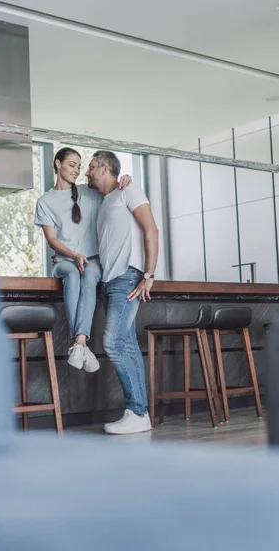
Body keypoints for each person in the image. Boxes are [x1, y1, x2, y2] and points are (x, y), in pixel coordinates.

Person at [34, 147, 131, 373]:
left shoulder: (89, 193)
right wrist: (74, 255)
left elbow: (112, 186)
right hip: (65, 260)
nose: (77, 170)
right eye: (71, 165)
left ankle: (79, 343)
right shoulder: (45, 201)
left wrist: (126, 179)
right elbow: (51, 239)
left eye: (79, 166)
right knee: (72, 275)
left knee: (88, 274)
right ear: (58, 164)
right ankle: (80, 343)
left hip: (92, 260)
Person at [85, 150, 159, 434]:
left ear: (104, 168)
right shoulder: (105, 201)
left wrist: (149, 275)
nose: (87, 172)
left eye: (91, 167)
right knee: (125, 345)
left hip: (128, 277)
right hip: (109, 281)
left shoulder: (129, 191)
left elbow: (151, 230)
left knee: (113, 343)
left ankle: (137, 411)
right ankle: (140, 414)